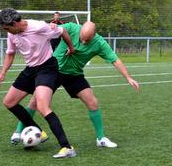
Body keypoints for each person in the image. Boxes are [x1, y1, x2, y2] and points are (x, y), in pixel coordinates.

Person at [11, 21, 140, 152]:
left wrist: (128, 77)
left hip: (74, 74)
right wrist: (51, 26)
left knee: (93, 102)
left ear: (94, 35)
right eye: (81, 39)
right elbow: (52, 29)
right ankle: (18, 132)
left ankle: (101, 139)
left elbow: (115, 60)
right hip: (54, 70)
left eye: (87, 40)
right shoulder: (71, 28)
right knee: (35, 102)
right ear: (80, 30)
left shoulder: (100, 43)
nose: (83, 43)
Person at [0, 8, 76, 158]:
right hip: (31, 69)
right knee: (9, 102)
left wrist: (71, 48)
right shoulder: (11, 33)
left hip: (47, 68)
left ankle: (67, 147)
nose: (7, 31)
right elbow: (10, 54)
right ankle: (39, 132)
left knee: (42, 106)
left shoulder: (39, 27)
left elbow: (63, 31)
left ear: (14, 23)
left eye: (7, 28)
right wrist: (2, 73)